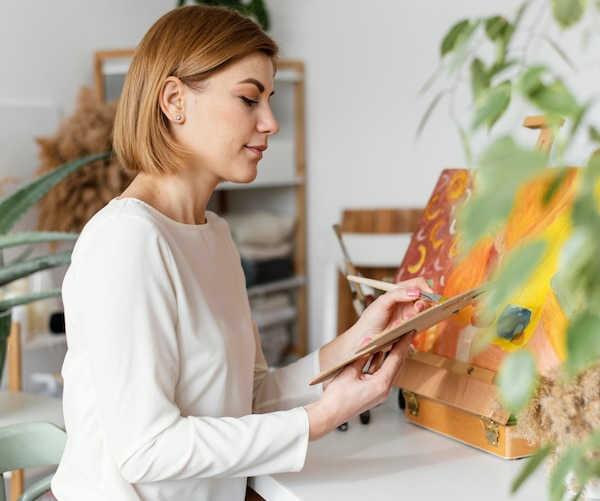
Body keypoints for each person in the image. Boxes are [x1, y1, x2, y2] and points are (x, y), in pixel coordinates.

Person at [51, 5, 432, 500]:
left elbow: (247, 398)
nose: (271, 122)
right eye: (249, 99)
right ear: (174, 100)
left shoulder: (215, 236)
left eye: (269, 100)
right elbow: (145, 448)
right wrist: (321, 419)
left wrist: (354, 343)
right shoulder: (126, 241)